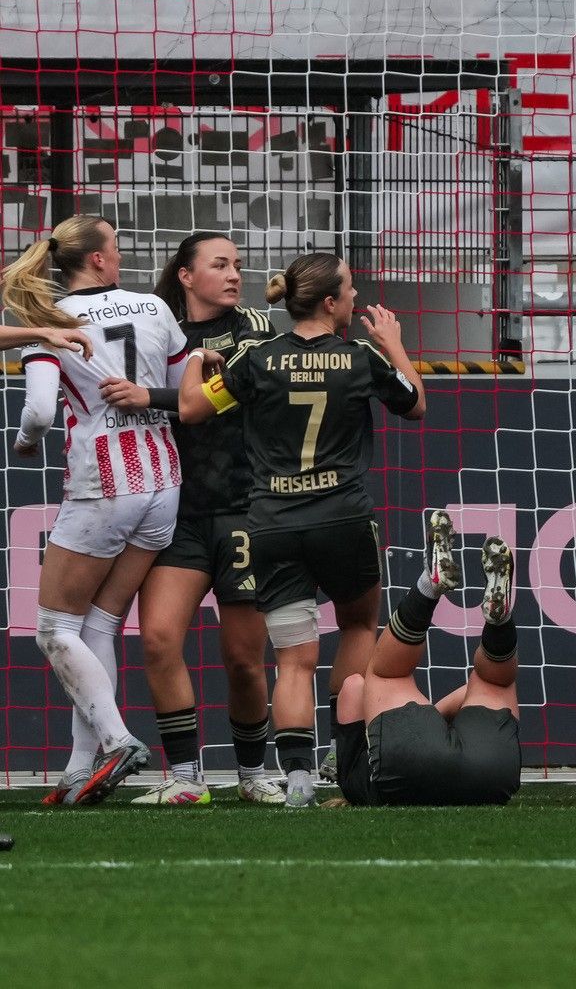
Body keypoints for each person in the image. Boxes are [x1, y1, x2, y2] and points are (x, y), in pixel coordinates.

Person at [179, 251, 427, 807]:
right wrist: (394, 344)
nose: (358, 299)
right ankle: (341, 755)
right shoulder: (360, 356)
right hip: (342, 519)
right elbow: (414, 405)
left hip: (271, 524)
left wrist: (200, 358)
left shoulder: (257, 358)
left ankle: (295, 778)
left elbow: (192, 409)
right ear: (332, 303)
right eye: (352, 291)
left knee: (293, 659)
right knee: (361, 624)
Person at [4, 214, 191, 805]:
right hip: (163, 478)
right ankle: (79, 767)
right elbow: (186, 390)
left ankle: (114, 740)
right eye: (118, 245)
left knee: (55, 628)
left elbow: (36, 410)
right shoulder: (155, 309)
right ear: (101, 260)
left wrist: (27, 442)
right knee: (102, 622)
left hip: (103, 481)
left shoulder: (53, 323)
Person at [100, 232, 283, 804]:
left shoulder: (253, 326)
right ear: (185, 274)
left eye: (238, 265)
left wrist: (148, 395)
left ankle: (254, 773)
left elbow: (206, 398)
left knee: (244, 661)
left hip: (242, 510)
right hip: (177, 510)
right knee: (157, 640)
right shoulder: (158, 329)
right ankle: (184, 778)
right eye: (221, 265)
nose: (235, 275)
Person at [331, 511, 522, 808]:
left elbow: (355, 686)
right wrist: (432, 716)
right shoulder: (361, 776)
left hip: (435, 767)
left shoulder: (356, 789)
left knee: (492, 682)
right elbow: (359, 687)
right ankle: (439, 592)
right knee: (387, 675)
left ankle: (494, 622)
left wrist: (431, 719)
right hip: (488, 773)